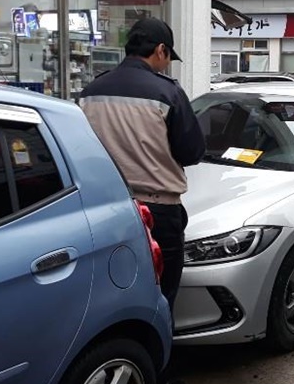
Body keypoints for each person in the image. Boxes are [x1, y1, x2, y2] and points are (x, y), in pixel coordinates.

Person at [79, 18, 205, 314]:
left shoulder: (90, 92)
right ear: (161, 50)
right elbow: (191, 152)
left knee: (112, 295)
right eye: (168, 57)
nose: (167, 64)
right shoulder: (167, 93)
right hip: (158, 212)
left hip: (104, 210)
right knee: (161, 295)